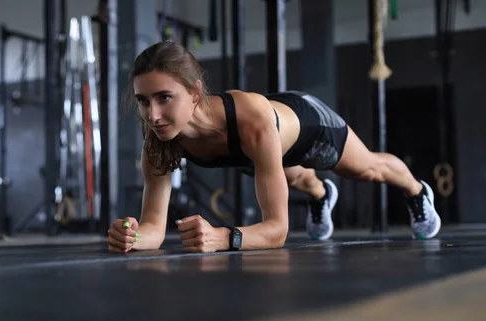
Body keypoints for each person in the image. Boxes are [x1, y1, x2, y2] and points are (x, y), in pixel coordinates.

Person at [107, 41, 441, 253]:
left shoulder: (250, 123)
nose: (152, 115)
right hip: (260, 146)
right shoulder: (161, 138)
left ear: (195, 93)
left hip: (306, 124)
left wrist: (224, 237)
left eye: (164, 98)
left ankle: (417, 191)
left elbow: (278, 230)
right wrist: (132, 237)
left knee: (365, 168)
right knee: (295, 179)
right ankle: (321, 195)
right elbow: (153, 228)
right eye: (143, 101)